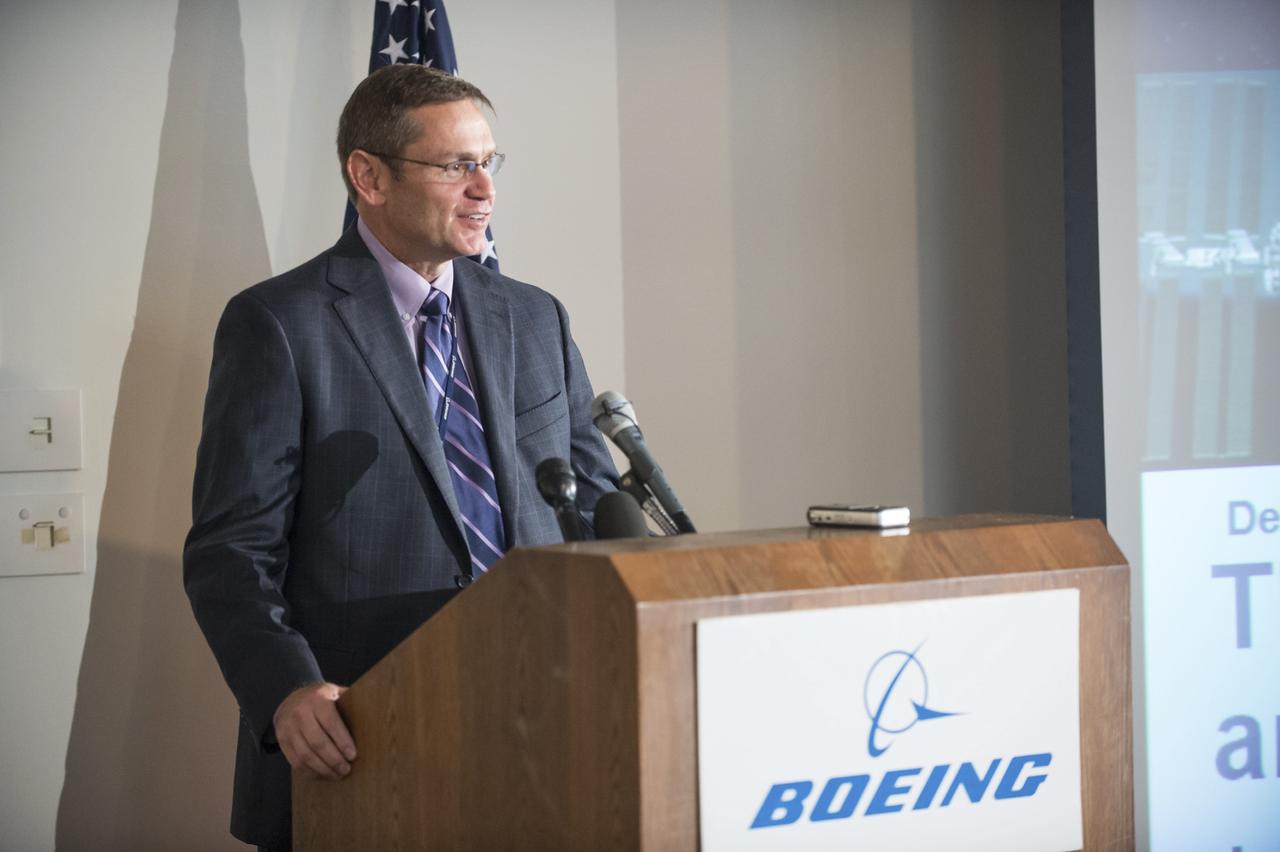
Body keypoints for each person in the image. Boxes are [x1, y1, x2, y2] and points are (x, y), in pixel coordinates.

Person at [183, 64, 617, 850]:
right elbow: (230, 550)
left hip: (544, 734)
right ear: (368, 177)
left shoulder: (535, 316)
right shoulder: (280, 324)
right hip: (361, 745)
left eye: (490, 163)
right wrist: (287, 690)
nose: (485, 189)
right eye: (457, 166)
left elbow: (595, 509)